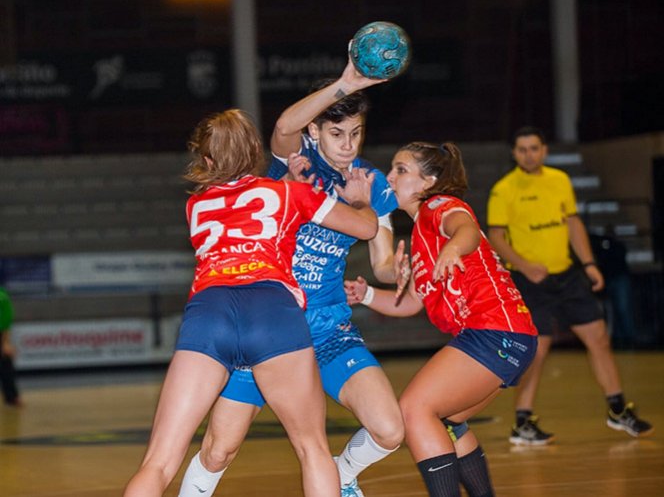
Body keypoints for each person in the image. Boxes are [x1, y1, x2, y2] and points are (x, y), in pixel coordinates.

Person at [122, 108, 379, 497]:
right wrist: (361, 202)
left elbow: (239, 211)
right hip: (272, 312)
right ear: (255, 151)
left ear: (207, 159)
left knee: (157, 463)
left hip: (209, 314)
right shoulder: (291, 192)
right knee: (312, 449)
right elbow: (367, 228)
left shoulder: (197, 205)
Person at [178, 60, 405, 497]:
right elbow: (284, 125)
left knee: (390, 428)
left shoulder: (370, 182)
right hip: (271, 323)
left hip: (326, 327)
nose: (348, 145)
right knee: (219, 449)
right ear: (315, 131)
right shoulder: (293, 166)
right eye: (337, 134)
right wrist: (346, 83)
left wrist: (400, 272)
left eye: (356, 133)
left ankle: (340, 475)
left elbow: (382, 263)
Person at [345, 141, 538, 497]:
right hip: (507, 337)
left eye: (401, 170)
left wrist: (453, 247)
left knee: (415, 409)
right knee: (447, 422)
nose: (390, 177)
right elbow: (411, 302)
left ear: (428, 182)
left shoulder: (438, 206)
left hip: (494, 332)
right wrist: (367, 296)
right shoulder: (421, 236)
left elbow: (463, 227)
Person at [486, 125, 654, 445]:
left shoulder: (560, 180)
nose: (529, 154)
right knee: (538, 349)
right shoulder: (503, 189)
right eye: (522, 149)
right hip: (529, 280)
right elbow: (496, 236)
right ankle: (522, 420)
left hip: (568, 275)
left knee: (599, 338)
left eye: (534, 148)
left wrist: (589, 263)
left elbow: (573, 223)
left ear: (544, 150)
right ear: (514, 153)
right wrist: (524, 266)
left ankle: (617, 409)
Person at [0, 286, 23, 407]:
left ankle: (11, 397)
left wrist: (5, 342)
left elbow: (5, 321)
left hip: (1, 334)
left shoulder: (2, 297)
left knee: (6, 363)